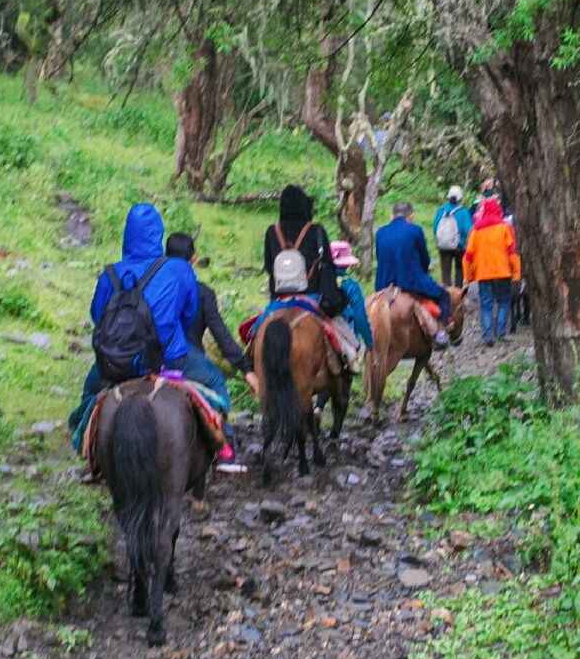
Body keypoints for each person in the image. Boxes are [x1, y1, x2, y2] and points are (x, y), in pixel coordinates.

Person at [69, 204, 233, 468]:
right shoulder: (179, 269)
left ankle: (87, 451)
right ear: (158, 234)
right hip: (169, 358)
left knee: (90, 390)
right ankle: (223, 446)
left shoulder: (109, 274)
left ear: (127, 235)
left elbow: (97, 316)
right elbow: (188, 315)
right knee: (214, 380)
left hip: (116, 364)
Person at [259, 184, 362, 369]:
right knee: (347, 342)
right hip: (311, 299)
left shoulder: (270, 232)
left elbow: (268, 266)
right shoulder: (316, 230)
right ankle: (350, 364)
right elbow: (327, 266)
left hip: (279, 300)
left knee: (253, 334)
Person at [166, 232, 245, 373]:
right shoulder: (204, 293)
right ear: (193, 257)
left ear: (165, 257)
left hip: (154, 361)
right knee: (217, 383)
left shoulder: (153, 287)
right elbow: (220, 333)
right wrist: (245, 367)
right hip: (189, 362)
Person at [374, 201, 450, 346]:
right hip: (409, 282)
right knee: (444, 295)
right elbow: (424, 259)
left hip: (383, 284)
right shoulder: (415, 230)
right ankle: (440, 335)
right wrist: (424, 270)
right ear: (411, 216)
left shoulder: (380, 232)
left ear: (391, 216)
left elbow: (379, 257)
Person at [462, 197, 519, 345]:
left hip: (483, 273)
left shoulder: (476, 229)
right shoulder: (505, 227)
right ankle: (501, 333)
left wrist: (468, 277)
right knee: (503, 301)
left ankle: (487, 336)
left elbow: (467, 255)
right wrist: (516, 272)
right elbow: (512, 251)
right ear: (498, 210)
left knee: (486, 304)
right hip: (502, 271)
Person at [329, 240, 374, 351]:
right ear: (347, 264)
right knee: (353, 359)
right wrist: (369, 342)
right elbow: (359, 316)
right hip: (343, 331)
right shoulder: (351, 285)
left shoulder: (317, 279)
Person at [430, 187, 473, 287]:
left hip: (443, 245)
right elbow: (468, 230)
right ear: (460, 198)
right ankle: (457, 295)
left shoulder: (441, 210)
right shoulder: (463, 212)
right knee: (459, 270)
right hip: (459, 246)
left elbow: (435, 227)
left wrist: (438, 239)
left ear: (448, 197)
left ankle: (447, 296)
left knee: (445, 272)